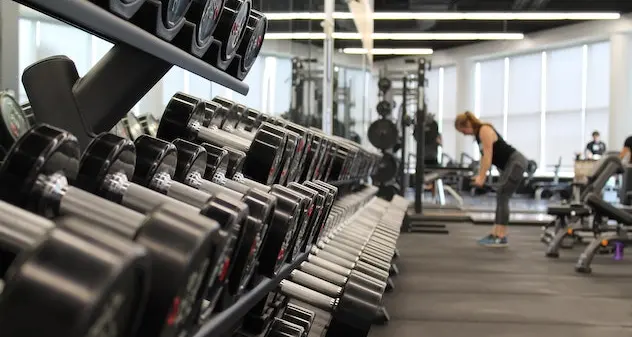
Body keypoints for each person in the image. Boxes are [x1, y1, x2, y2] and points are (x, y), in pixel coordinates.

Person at [454, 111, 528, 247]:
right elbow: (484, 158)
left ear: (467, 124)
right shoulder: (478, 135)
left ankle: (501, 235)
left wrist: (482, 177)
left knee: (503, 194)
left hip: (516, 162)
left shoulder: (484, 130)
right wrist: (479, 174)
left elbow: (488, 156)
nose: (464, 134)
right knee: (501, 194)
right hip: (509, 165)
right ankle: (496, 233)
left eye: (462, 130)